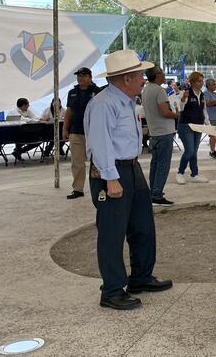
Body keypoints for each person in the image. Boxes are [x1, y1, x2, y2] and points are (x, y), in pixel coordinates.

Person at [84, 50, 171, 310]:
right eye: (140, 76)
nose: (143, 80)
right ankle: (111, 290)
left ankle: (141, 277)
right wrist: (111, 179)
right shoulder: (104, 104)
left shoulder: (124, 101)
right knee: (112, 233)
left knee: (142, 226)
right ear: (126, 78)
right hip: (112, 172)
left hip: (131, 168)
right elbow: (100, 145)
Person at [62, 67, 103, 198]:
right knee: (77, 161)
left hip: (94, 132)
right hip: (76, 131)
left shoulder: (98, 92)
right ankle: (78, 189)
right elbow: (69, 112)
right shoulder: (72, 93)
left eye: (83, 75)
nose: (80, 78)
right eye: (78, 76)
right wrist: (65, 128)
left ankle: (101, 185)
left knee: (98, 161)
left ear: (90, 77)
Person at [141, 66, 180, 205]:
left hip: (155, 132)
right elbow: (164, 112)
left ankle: (153, 191)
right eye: (162, 73)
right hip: (164, 132)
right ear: (157, 75)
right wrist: (177, 115)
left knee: (155, 164)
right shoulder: (159, 90)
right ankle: (157, 194)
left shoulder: (146, 89)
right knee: (163, 164)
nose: (164, 75)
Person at [175, 72, 209, 185]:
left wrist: (208, 125)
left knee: (194, 152)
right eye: (199, 81)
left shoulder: (202, 95)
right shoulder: (185, 93)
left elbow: (204, 111)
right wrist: (184, 98)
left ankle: (195, 174)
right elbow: (180, 107)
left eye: (202, 80)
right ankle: (180, 172)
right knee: (189, 151)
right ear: (193, 82)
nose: (201, 83)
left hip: (198, 125)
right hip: (186, 125)